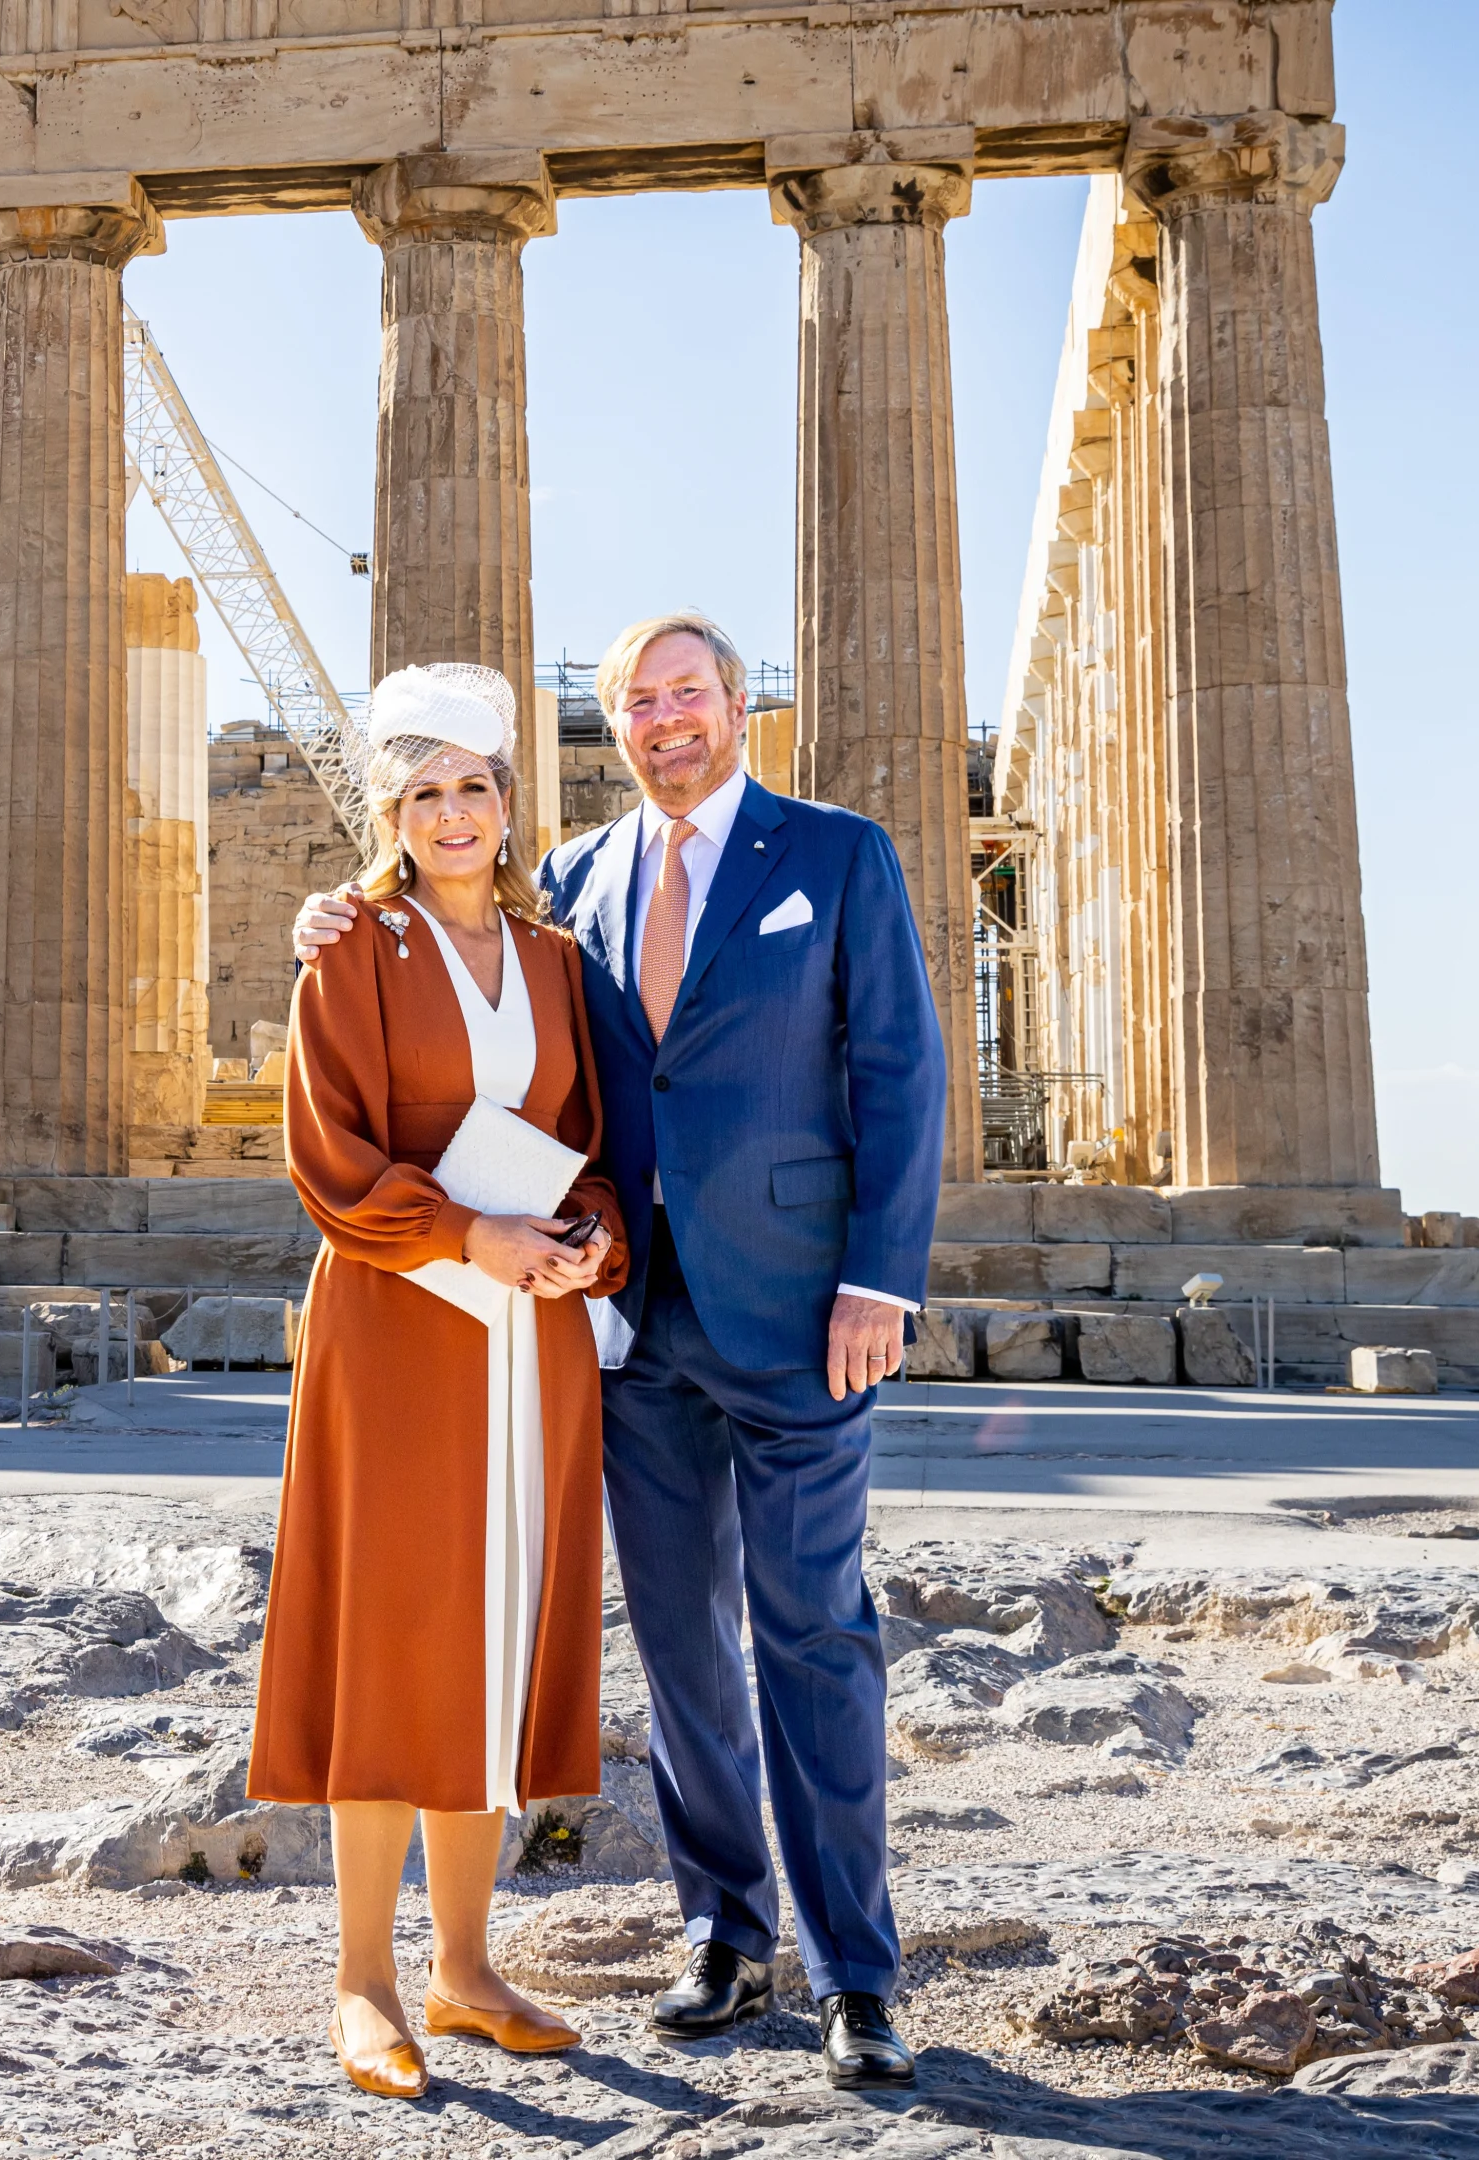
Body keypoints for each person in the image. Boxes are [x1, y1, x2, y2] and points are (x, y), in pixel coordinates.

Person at [294, 612, 944, 2091]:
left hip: (798, 1316)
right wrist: (333, 915)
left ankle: (855, 1972)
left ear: (736, 703)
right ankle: (725, 1934)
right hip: (625, 1329)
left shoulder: (837, 855)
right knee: (679, 1647)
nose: (666, 719)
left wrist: (878, 1282)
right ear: (614, 728)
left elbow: (901, 1072)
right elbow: (537, 1068)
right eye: (639, 701)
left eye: (687, 692)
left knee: (815, 1632)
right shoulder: (578, 881)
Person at [255, 662, 629, 2101]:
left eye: (474, 787)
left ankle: (465, 1970)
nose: (453, 812)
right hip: (399, 1321)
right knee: (394, 1629)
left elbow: (589, 1146)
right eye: (425, 792)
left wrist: (588, 1244)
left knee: (498, 1630)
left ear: (508, 803)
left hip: (530, 1331)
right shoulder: (352, 947)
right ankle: (361, 1980)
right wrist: (471, 1235)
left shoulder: (554, 960)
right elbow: (329, 1158)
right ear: (391, 812)